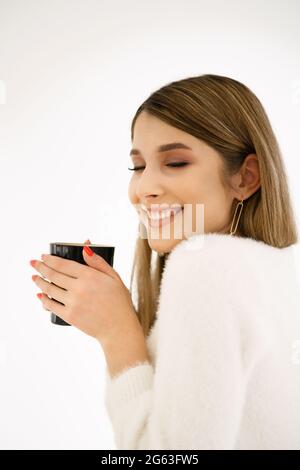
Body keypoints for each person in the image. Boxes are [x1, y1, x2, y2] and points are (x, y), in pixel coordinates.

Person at [104, 74, 300, 450]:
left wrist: (116, 332)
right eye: (138, 166)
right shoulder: (274, 268)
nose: (144, 188)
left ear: (246, 177)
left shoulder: (205, 269)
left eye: (175, 162)